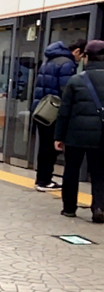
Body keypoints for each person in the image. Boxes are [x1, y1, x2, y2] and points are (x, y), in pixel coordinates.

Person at [54, 39, 104, 223]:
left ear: (86, 58)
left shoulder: (76, 80)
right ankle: (99, 207)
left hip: (75, 135)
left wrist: (59, 136)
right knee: (100, 173)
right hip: (101, 135)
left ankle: (69, 208)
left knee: (71, 170)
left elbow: (64, 112)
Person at [32, 41, 77, 192]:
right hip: (54, 112)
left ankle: (42, 179)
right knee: (52, 147)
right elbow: (67, 91)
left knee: (44, 146)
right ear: (77, 51)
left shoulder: (48, 61)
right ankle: (45, 180)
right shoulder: (67, 64)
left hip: (42, 110)